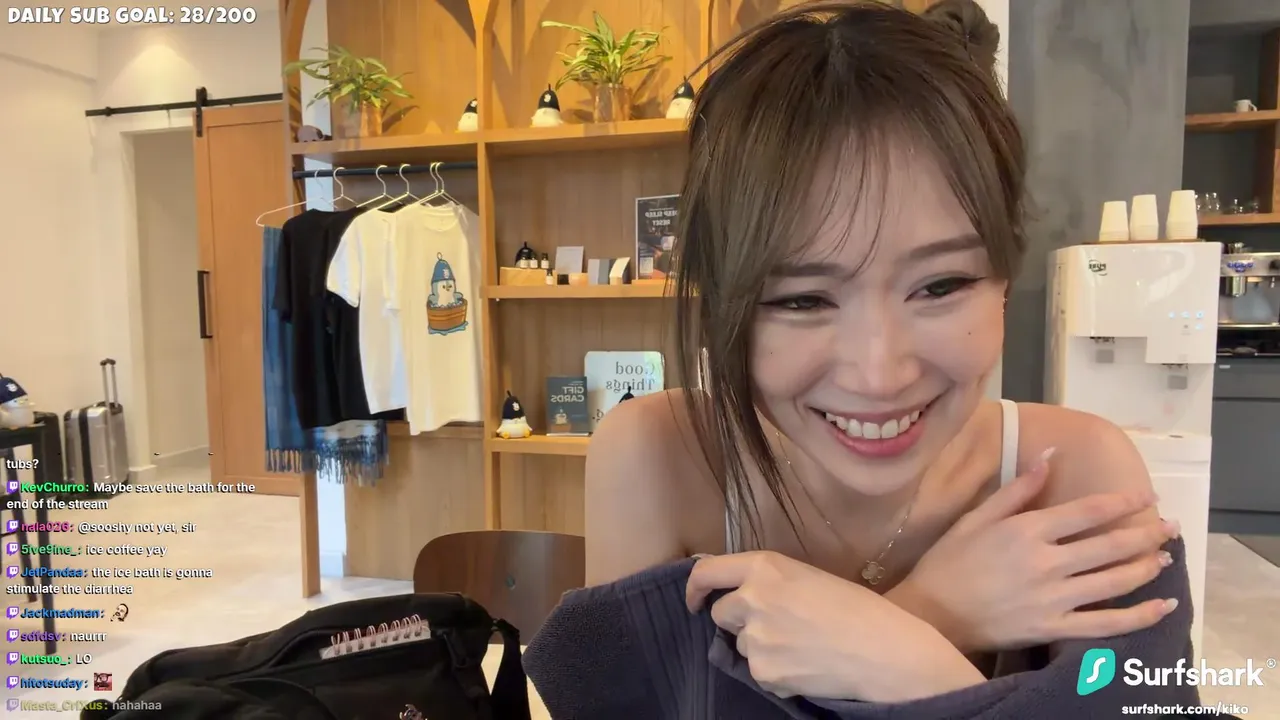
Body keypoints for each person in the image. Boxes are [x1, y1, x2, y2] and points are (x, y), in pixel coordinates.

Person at [584, 0, 1185, 704]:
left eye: (940, 285)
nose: (878, 375)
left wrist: (911, 656)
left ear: (1005, 278)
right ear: (720, 301)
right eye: (802, 300)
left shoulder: (1080, 479)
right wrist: (931, 614)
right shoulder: (657, 461)